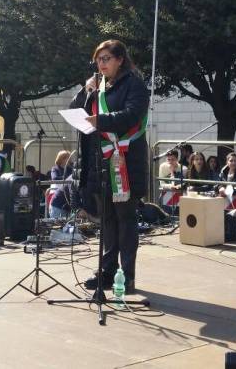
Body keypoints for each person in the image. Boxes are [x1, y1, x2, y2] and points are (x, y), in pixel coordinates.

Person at [75, 39, 149, 294]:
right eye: (98, 59)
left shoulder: (135, 85)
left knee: (125, 221)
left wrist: (101, 120)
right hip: (100, 162)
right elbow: (77, 112)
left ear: (120, 60)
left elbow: (131, 115)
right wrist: (87, 91)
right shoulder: (98, 87)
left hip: (126, 161)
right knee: (106, 220)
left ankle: (126, 275)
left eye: (106, 58)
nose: (101, 64)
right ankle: (107, 271)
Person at [48, 150, 74, 220]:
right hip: (58, 204)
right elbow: (55, 179)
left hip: (68, 205)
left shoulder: (70, 169)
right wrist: (68, 178)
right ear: (62, 159)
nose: (70, 160)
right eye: (68, 158)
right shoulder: (55, 169)